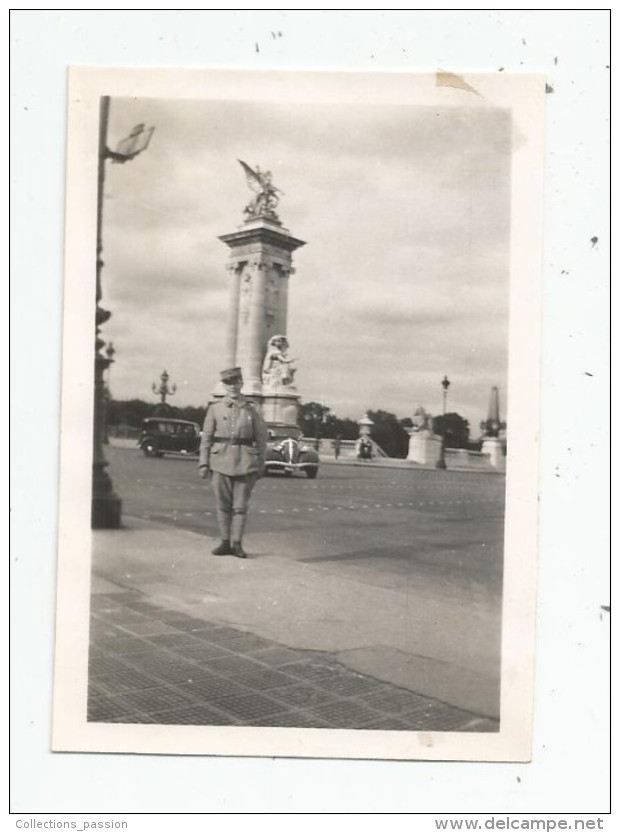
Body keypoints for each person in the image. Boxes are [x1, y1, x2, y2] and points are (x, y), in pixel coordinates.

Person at [198, 367, 267, 558]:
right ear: (224, 385)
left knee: (240, 506)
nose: (232, 387)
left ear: (241, 383)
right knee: (222, 505)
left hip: (245, 462)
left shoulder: (252, 409)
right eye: (228, 383)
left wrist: (261, 462)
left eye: (236, 382)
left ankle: (237, 544)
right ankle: (224, 542)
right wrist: (203, 463)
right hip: (220, 461)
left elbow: (261, 438)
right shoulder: (215, 408)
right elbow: (206, 439)